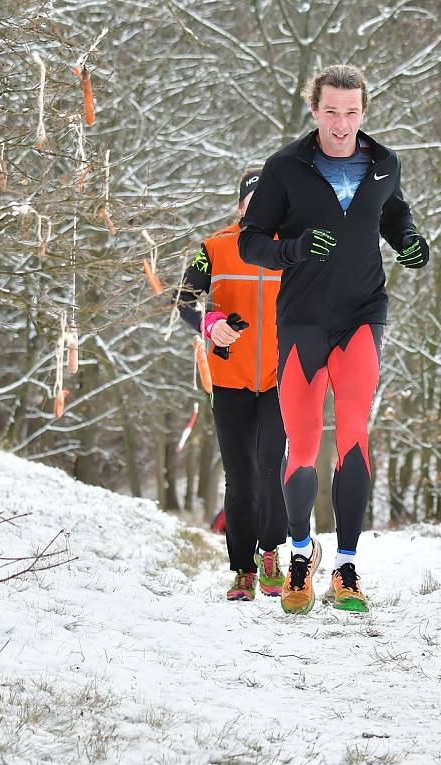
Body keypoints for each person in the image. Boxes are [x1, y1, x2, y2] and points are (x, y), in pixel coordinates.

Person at [238, 65, 430, 615]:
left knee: (352, 438)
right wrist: (294, 250)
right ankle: (302, 556)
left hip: (362, 318)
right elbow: (251, 243)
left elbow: (394, 213)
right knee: (302, 448)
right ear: (314, 110)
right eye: (331, 111)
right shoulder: (285, 169)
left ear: (362, 112)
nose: (341, 123)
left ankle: (346, 567)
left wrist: (410, 240)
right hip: (301, 322)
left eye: (351, 112)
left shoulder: (383, 164)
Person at [175, 168, 288, 602]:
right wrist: (209, 321)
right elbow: (184, 299)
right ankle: (242, 570)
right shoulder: (214, 248)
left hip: (281, 380)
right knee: (240, 477)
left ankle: (271, 553)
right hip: (229, 380)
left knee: (271, 469)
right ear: (240, 205)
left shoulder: (290, 250)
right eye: (251, 202)